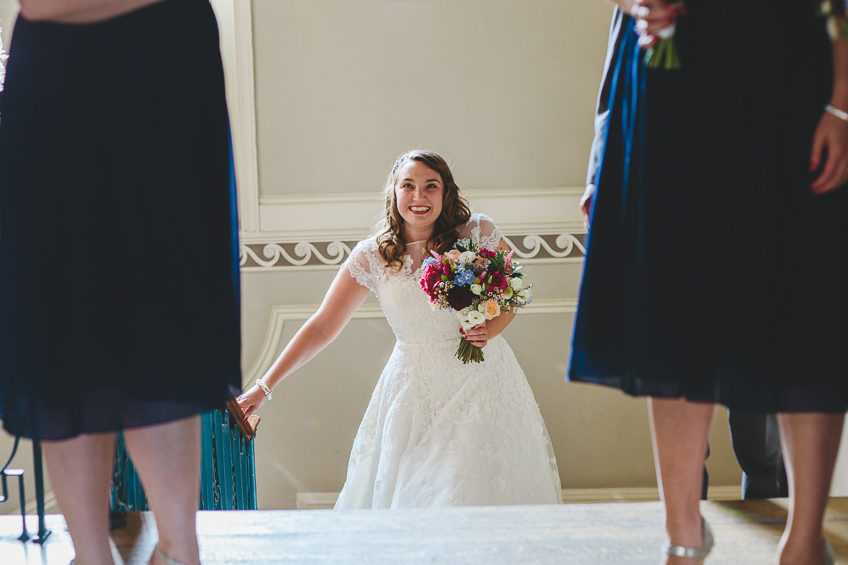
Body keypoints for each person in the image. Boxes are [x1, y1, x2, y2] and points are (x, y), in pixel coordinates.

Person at [570, 0, 848, 564]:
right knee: (669, 308)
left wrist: (842, 103)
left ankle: (803, 543)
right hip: (664, 84)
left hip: (787, 67)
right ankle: (683, 536)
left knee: (798, 301)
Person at [0, 2, 242, 564]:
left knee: (163, 306)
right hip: (64, 59)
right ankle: (91, 554)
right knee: (65, 314)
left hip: (164, 57)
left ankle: (181, 548)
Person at [238, 150, 562, 509]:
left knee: (466, 491)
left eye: (430, 187)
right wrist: (264, 387)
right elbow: (323, 325)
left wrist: (491, 328)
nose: (419, 197)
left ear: (446, 192)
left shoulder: (477, 232)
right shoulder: (371, 256)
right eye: (408, 186)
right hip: (414, 394)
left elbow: (515, 291)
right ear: (393, 192)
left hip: (480, 386)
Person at [582, 6, 789, 505]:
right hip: (667, 175)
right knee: (675, 348)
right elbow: (616, 81)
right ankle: (684, 513)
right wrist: (597, 173)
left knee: (754, 352)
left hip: (756, 174)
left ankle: (769, 503)